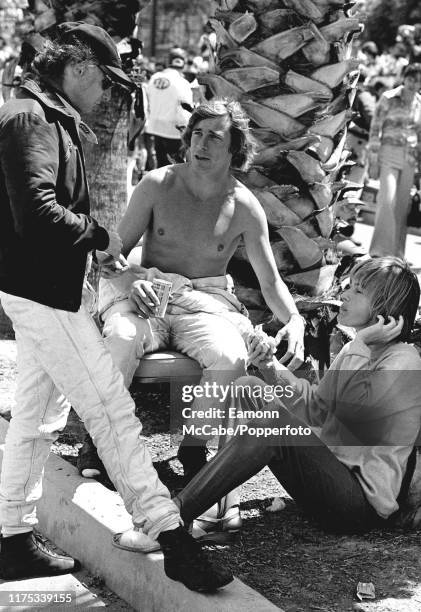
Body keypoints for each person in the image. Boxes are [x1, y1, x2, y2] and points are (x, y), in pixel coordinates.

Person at [0, 22, 232, 592]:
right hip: (41, 295)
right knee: (109, 408)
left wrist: (93, 253)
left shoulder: (34, 114)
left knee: (35, 418)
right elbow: (37, 211)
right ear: (79, 69)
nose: (108, 97)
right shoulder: (31, 118)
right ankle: (171, 537)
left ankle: (9, 538)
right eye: (107, 83)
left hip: (39, 290)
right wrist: (98, 238)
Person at [78, 97, 305, 535]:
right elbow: (112, 255)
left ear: (234, 147)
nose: (200, 144)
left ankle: (195, 450)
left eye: (213, 137)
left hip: (203, 302)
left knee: (229, 355)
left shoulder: (243, 205)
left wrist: (293, 319)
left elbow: (270, 280)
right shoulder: (157, 183)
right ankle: (100, 445)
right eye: (196, 133)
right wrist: (130, 284)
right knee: (121, 337)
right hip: (148, 293)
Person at [174, 257, 421, 537]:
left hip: (358, 505)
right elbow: (316, 409)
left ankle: (170, 520)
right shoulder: (357, 349)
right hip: (330, 477)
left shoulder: (404, 360)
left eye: (359, 291)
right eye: (349, 287)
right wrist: (269, 366)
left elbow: (351, 423)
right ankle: (222, 508)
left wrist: (360, 346)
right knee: (247, 387)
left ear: (384, 312)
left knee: (274, 424)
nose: (345, 294)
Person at [368, 63, 421, 258]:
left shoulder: (419, 103)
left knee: (401, 207)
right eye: (411, 78)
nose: (413, 83)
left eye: (418, 80)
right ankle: (379, 251)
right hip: (388, 152)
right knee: (387, 199)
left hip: (410, 157)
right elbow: (375, 129)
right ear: (404, 78)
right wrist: (373, 158)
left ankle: (396, 254)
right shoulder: (388, 98)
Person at [144, 48, 193, 167]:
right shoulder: (182, 82)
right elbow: (186, 108)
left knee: (161, 164)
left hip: (155, 127)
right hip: (174, 130)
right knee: (175, 166)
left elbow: (148, 100)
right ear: (183, 64)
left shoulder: (154, 78)